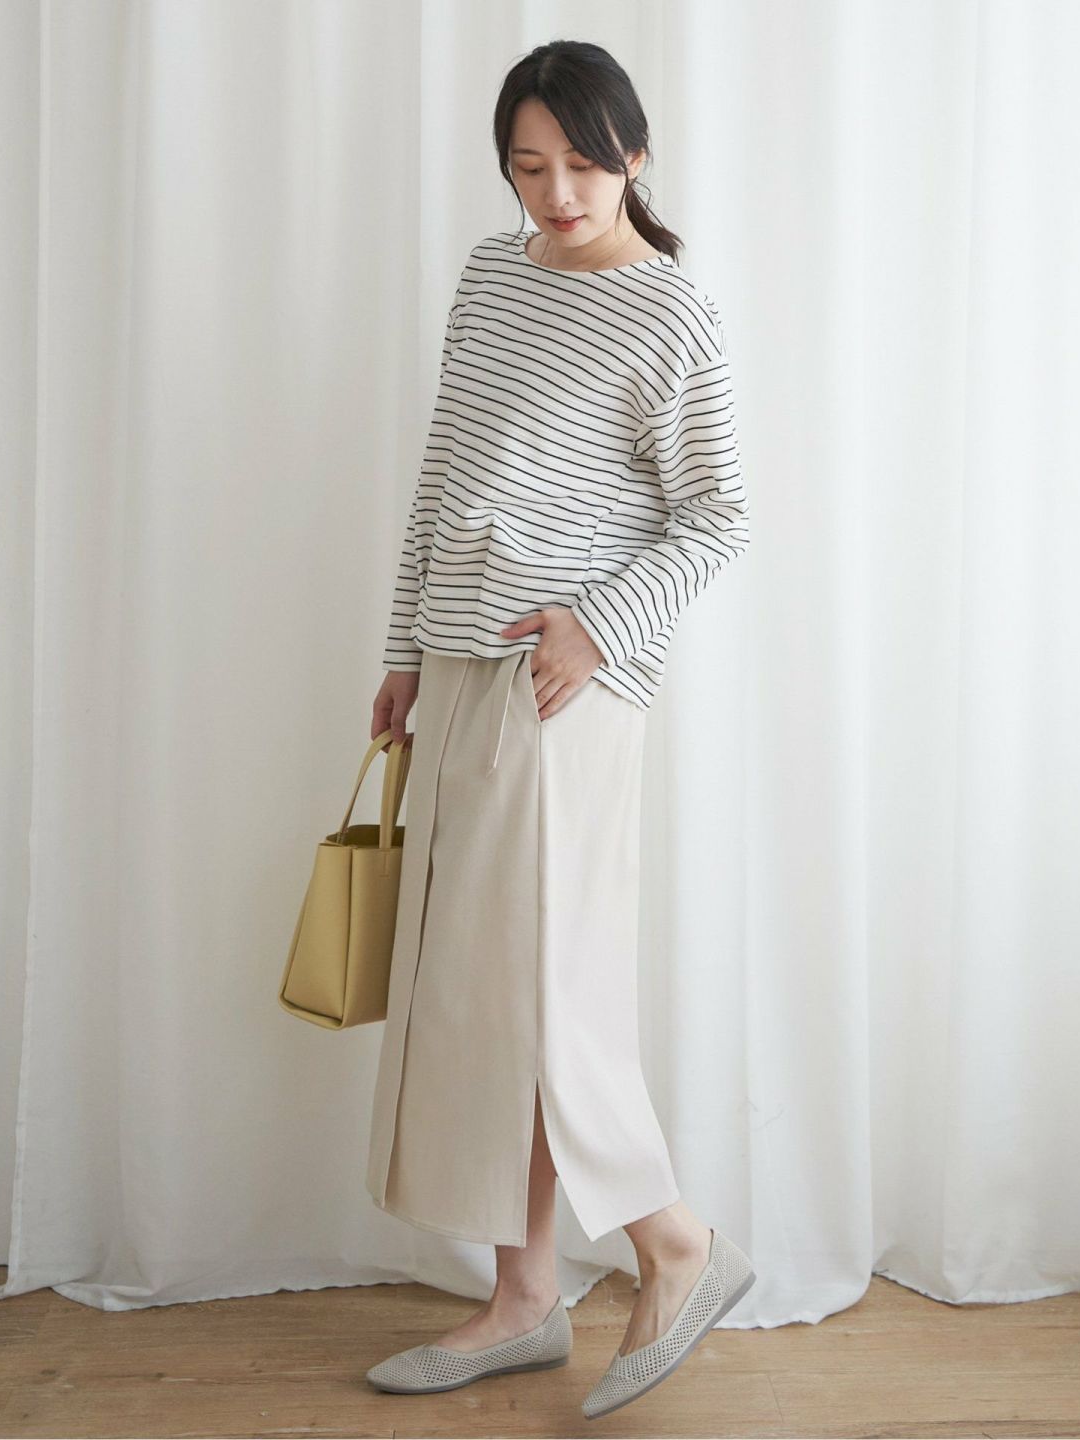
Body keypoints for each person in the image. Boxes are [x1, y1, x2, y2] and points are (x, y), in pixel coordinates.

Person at [363, 39, 755, 1421]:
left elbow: (720, 514)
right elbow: (442, 471)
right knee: (481, 998)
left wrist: (597, 625)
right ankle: (525, 1298)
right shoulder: (492, 274)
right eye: (530, 167)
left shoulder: (672, 310)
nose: (559, 193)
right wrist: (403, 649)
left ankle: (675, 1243)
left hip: (567, 688)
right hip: (463, 664)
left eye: (584, 163)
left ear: (635, 155)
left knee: (548, 995)